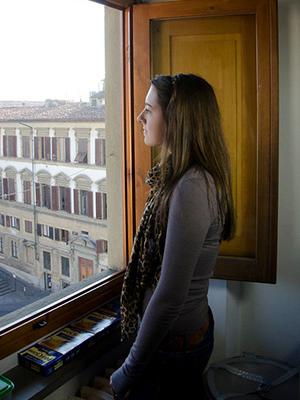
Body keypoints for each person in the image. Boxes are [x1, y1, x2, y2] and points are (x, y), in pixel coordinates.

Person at [110, 73, 235, 399]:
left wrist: (129, 369)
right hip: (176, 342)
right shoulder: (179, 178)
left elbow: (170, 294)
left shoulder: (192, 186)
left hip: (173, 352)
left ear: (176, 120)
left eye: (149, 109)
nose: (140, 117)